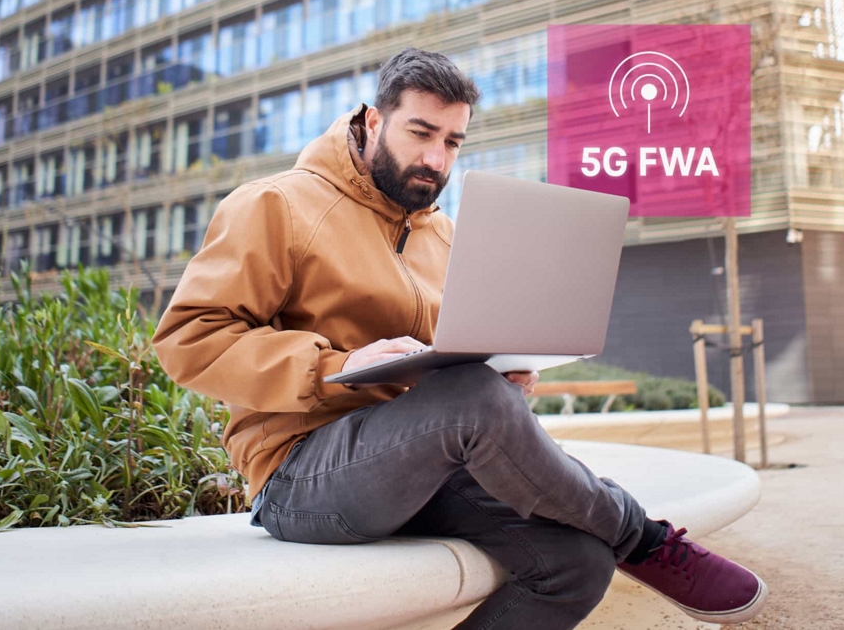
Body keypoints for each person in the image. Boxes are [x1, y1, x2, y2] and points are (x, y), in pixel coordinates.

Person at [151, 47, 767, 628]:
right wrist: (335, 365)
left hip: (421, 466)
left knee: (575, 564)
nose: (436, 160)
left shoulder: (443, 235)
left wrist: (505, 373)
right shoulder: (275, 205)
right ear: (373, 121)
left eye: (452, 141)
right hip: (299, 474)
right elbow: (188, 339)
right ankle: (643, 538)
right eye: (420, 133)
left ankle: (617, 538)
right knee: (475, 399)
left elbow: (451, 373)